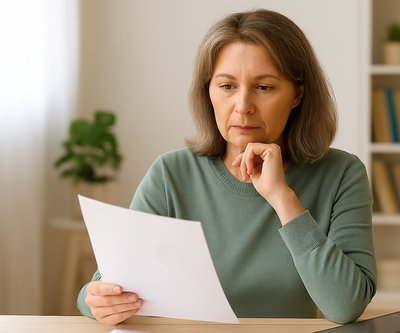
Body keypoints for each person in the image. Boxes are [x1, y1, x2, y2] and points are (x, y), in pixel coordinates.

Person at [77, 8, 376, 326]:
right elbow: (100, 289)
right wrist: (98, 301)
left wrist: (282, 197)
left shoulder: (342, 173)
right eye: (226, 86)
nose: (243, 106)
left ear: (297, 95)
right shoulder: (171, 174)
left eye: (264, 87)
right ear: (208, 91)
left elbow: (345, 306)